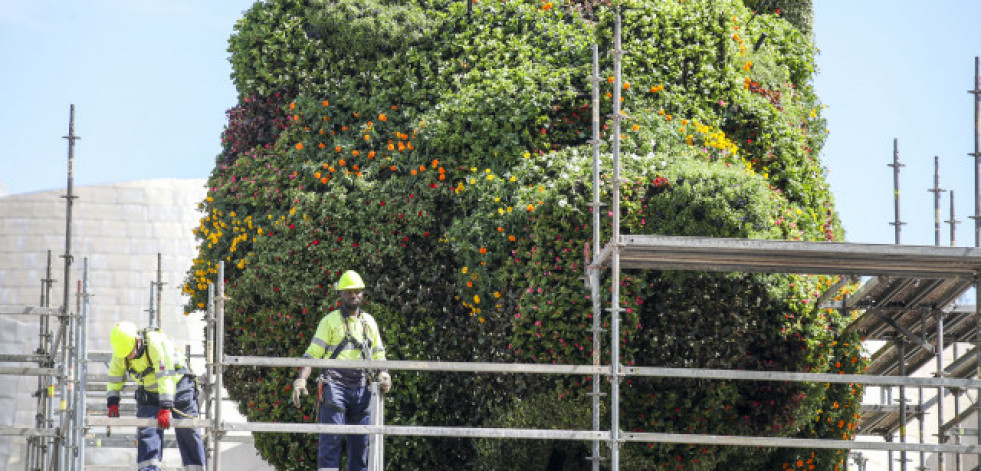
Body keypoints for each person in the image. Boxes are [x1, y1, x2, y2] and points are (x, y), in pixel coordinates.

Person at [292, 270, 392, 471]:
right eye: (348, 292)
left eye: (357, 291)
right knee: (331, 444)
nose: (353, 295)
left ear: (362, 294)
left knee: (360, 447)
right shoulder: (329, 322)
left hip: (361, 388)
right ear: (340, 294)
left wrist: (384, 373)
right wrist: (301, 379)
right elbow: (312, 355)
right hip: (334, 387)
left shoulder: (369, 323)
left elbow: (378, 354)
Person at [107, 321, 206, 471]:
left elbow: (166, 376)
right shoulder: (121, 351)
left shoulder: (155, 343)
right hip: (149, 393)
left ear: (138, 341)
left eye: (130, 353)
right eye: (126, 355)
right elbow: (115, 377)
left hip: (179, 386)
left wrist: (165, 406)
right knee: (148, 433)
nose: (129, 357)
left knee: (188, 432)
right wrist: (113, 402)